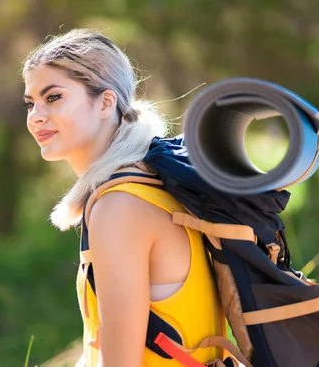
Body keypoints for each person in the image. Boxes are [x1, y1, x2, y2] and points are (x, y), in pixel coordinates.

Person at [22, 29, 225, 366]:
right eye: (31, 103)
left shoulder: (119, 207)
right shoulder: (150, 184)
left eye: (53, 97)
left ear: (105, 102)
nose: (36, 116)